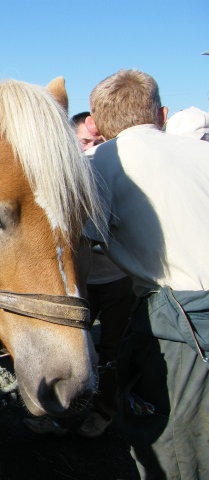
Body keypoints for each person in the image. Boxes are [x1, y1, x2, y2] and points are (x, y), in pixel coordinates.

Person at [82, 69, 209, 479]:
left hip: (181, 320)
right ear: (162, 113)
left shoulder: (99, 164)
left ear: (97, 126)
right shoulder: (202, 153)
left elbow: (80, 239)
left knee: (173, 445)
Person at [23, 112, 135, 439]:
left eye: (97, 142)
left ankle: (103, 413)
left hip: (115, 280)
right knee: (73, 350)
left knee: (111, 350)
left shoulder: (114, 173)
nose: (91, 149)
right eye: (85, 142)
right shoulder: (57, 180)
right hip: (78, 282)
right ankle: (57, 415)